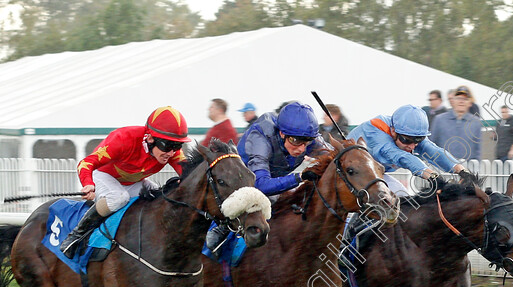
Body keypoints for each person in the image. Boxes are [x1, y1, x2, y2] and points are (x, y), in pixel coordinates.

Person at [60, 106, 190, 258]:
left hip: (133, 181)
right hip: (103, 175)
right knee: (119, 198)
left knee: (161, 198)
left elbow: (189, 173)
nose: (172, 153)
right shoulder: (123, 139)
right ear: (150, 138)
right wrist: (88, 183)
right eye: (167, 146)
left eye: (177, 146)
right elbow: (86, 163)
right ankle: (76, 235)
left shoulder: (170, 151)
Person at [205, 101, 330, 256]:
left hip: (273, 181)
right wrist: (300, 176)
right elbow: (261, 185)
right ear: (282, 133)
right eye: (295, 141)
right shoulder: (261, 137)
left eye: (307, 142)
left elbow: (334, 157)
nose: (302, 148)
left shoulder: (303, 136)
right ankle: (218, 232)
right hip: (242, 182)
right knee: (264, 200)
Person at [347, 104, 468, 197]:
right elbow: (401, 157)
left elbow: (433, 151)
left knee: (402, 199)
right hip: (347, 175)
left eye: (418, 141)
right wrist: (433, 177)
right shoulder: (376, 132)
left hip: (371, 176)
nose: (412, 146)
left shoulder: (407, 133)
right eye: (406, 140)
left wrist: (463, 172)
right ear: (393, 131)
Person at [430, 85, 482, 162]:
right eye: (458, 98)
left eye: (465, 99)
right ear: (453, 101)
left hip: (466, 170)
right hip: (443, 170)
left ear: (470, 103)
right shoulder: (439, 120)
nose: (461, 101)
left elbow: (477, 151)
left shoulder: (476, 122)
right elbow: (431, 146)